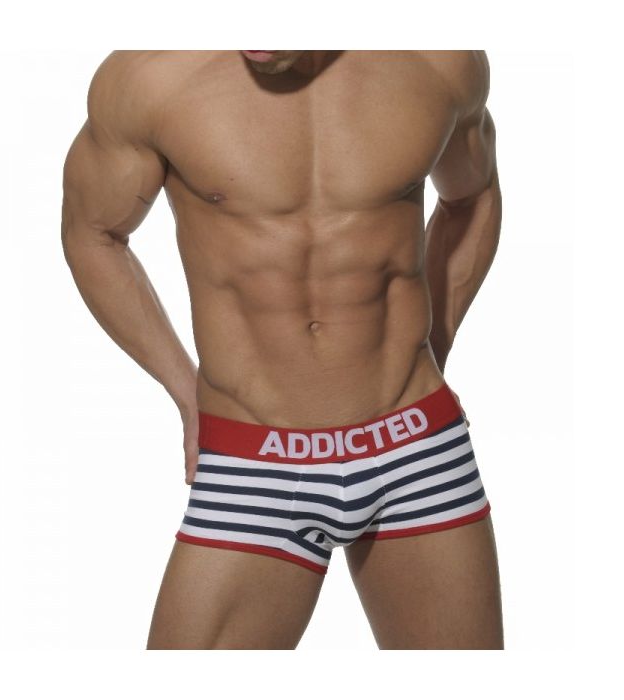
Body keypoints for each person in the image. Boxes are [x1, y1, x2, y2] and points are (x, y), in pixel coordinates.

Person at [61, 50, 504, 649]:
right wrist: (185, 389)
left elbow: (473, 197)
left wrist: (431, 347)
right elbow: (93, 233)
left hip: (416, 447)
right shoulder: (151, 74)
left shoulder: (436, 58)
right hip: (254, 461)